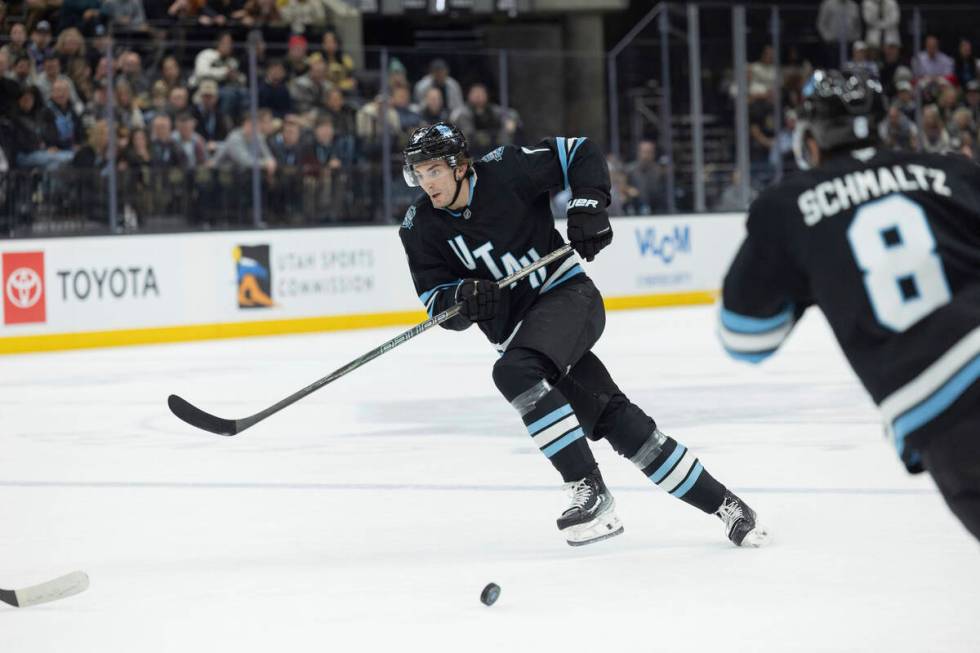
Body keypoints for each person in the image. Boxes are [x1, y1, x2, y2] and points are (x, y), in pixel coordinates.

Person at [398, 122, 770, 548]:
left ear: (459, 166)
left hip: (568, 298)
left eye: (433, 171)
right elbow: (436, 301)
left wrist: (589, 206)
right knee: (621, 424)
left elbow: (579, 151)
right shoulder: (418, 228)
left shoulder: (507, 170)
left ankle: (588, 488)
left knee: (513, 372)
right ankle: (728, 506)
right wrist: (462, 299)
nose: (426, 183)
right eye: (418, 173)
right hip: (531, 345)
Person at [719, 69, 980, 542]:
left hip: (948, 412)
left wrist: (806, 280)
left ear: (810, 138)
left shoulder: (788, 207)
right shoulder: (952, 172)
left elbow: (745, 338)